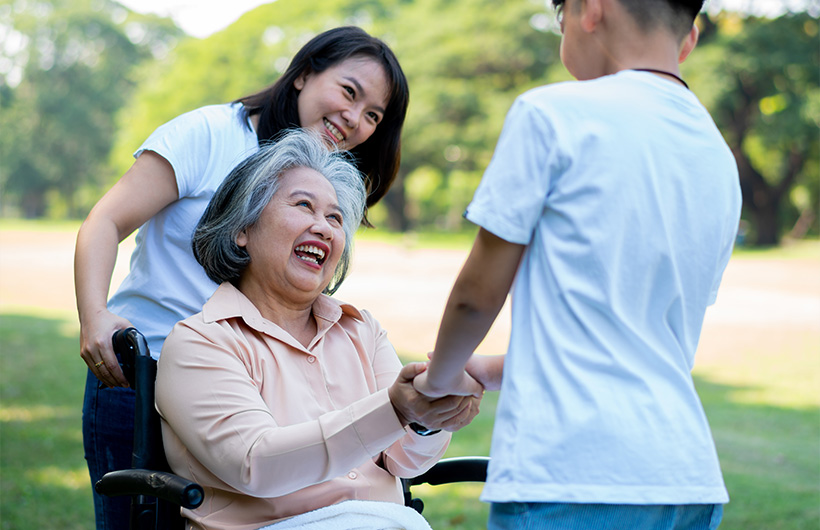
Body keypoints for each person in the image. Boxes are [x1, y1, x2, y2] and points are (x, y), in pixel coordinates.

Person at [413, 0, 742, 528]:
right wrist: (483, 372)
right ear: (688, 38)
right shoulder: (718, 158)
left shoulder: (551, 115)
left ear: (591, 9)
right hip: (687, 478)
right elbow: (640, 339)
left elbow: (479, 295)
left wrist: (436, 385)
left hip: (572, 470)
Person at [74, 26, 409, 529]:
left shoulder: (319, 179)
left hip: (252, 379)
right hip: (144, 369)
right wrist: (94, 315)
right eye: (349, 92)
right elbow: (106, 220)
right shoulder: (209, 135)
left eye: (373, 116)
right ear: (303, 74)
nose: (355, 119)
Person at [156, 130, 474, 530]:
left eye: (335, 217)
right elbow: (256, 464)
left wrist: (429, 415)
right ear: (242, 229)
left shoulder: (362, 331)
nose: (324, 227)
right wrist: (394, 409)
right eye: (303, 205)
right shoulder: (201, 341)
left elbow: (405, 459)